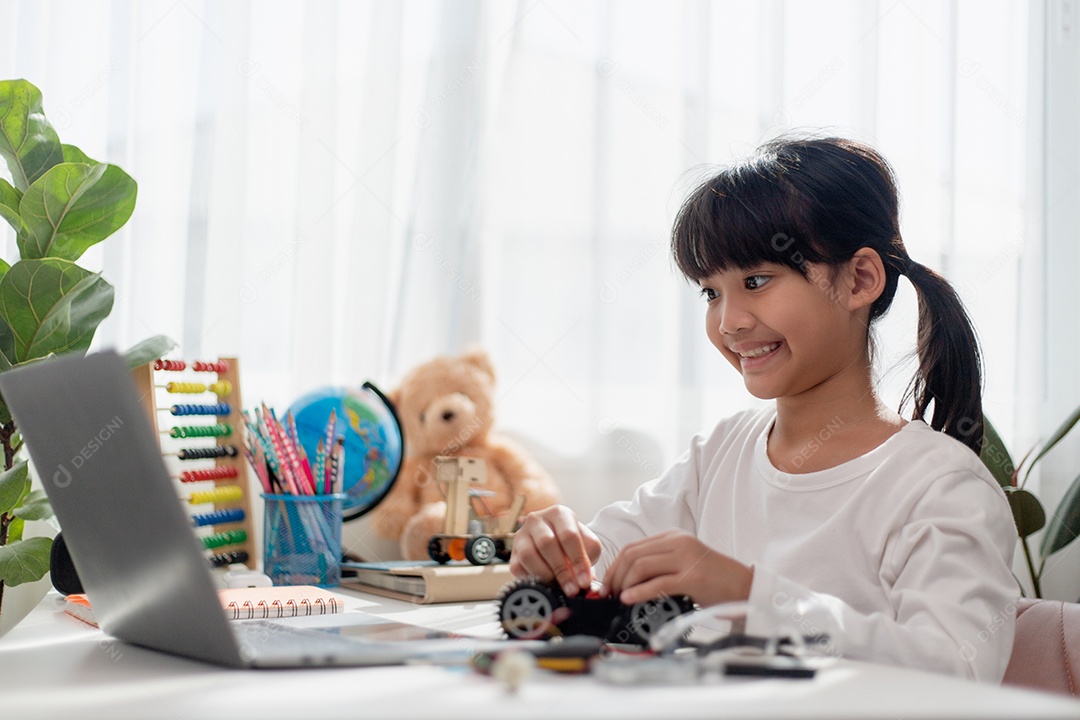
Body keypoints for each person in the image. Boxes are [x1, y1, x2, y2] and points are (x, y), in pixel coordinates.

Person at [508, 135, 1017, 682]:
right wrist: (560, 549)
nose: (729, 322)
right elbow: (607, 554)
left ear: (859, 279)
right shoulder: (722, 452)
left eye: (756, 281)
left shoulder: (938, 485)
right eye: (711, 293)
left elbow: (958, 672)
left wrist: (750, 594)